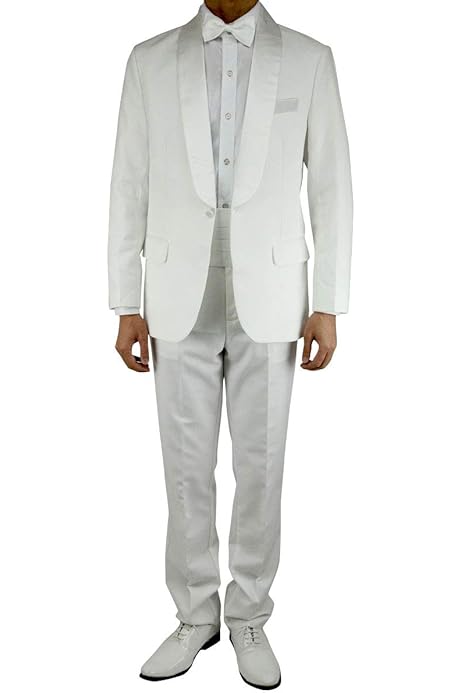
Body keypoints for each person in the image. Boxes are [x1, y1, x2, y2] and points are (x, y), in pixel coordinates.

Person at [108, 0, 353, 688]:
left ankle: (249, 612)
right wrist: (125, 301)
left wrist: (329, 302)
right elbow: (128, 183)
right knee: (185, 467)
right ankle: (195, 613)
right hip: (175, 290)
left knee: (261, 463)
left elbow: (331, 185)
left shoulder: (309, 58)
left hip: (271, 295)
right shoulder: (149, 60)